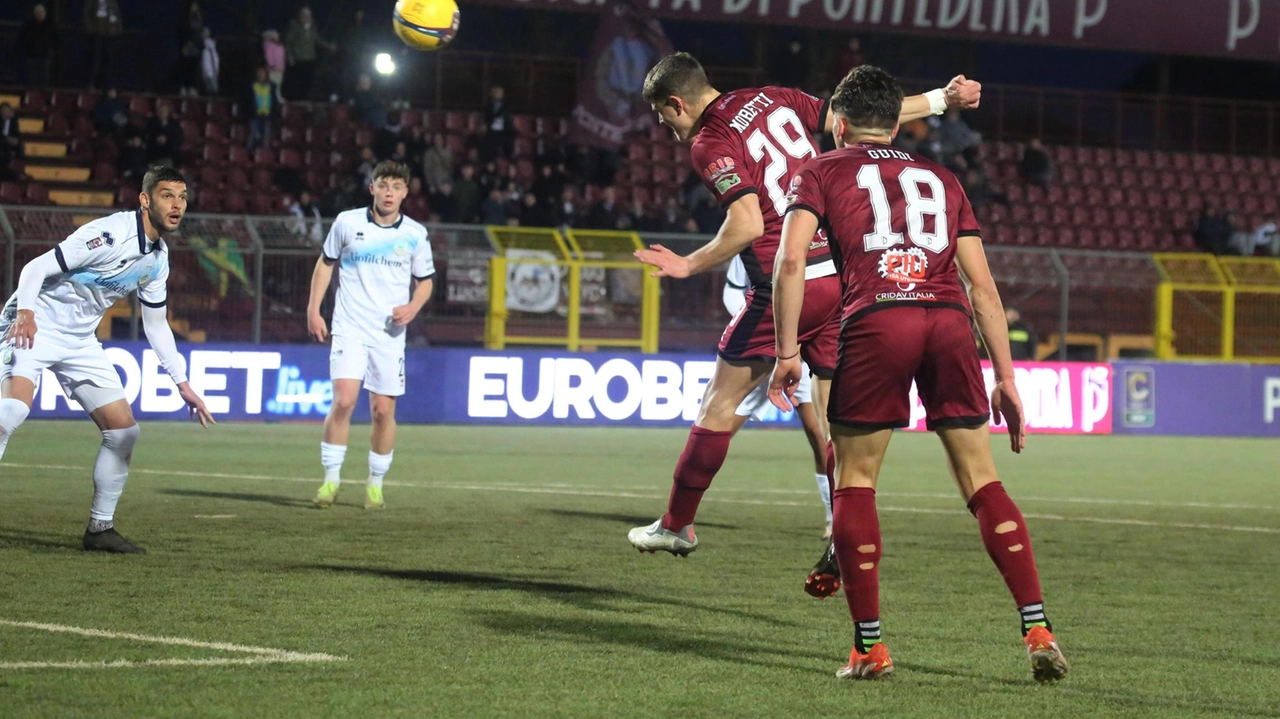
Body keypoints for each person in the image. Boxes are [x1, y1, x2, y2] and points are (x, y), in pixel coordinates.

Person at [768, 65, 1067, 683]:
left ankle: (870, 647)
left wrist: (787, 350)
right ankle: (1037, 627)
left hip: (879, 319)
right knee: (980, 479)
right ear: (899, 122)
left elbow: (792, 258)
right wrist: (1007, 378)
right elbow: (982, 286)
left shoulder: (821, 171)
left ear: (841, 122)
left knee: (855, 478)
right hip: (948, 323)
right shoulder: (942, 176)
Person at [625, 52, 981, 560]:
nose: (667, 129)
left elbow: (748, 224)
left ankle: (677, 524)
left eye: (664, 118)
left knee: (718, 406)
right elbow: (866, 115)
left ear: (676, 103)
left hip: (789, 287)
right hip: (842, 278)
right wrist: (943, 100)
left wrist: (688, 263)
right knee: (841, 422)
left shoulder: (709, 141)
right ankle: (845, 533)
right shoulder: (775, 97)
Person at [0, 167, 215, 554]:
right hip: (36, 324)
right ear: (145, 200)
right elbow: (35, 268)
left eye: (182, 197)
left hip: (80, 340)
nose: (177, 205)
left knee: (123, 432)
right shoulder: (109, 235)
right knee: (9, 413)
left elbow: (156, 325)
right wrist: (26, 313)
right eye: (167, 195)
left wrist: (182, 383)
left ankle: (100, 529)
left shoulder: (158, 260)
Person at [308, 161, 435, 510]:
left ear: (405, 192)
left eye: (396, 186)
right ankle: (330, 482)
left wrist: (413, 307)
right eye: (383, 185)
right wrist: (313, 309)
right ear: (372, 189)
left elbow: (425, 282)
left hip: (389, 334)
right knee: (345, 400)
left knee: (382, 411)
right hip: (349, 326)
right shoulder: (347, 222)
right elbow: (326, 262)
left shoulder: (415, 233)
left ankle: (375, 484)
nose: (389, 192)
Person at [724, 255, 832, 537]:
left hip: (803, 349)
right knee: (721, 426)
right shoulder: (755, 237)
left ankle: (834, 517)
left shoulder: (817, 234)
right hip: (763, 349)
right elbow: (732, 291)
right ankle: (682, 513)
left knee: (820, 435)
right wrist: (770, 335)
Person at [284, 6, 334, 101]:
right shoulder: (294, 25)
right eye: (304, 15)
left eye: (308, 15)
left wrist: (328, 46)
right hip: (298, 58)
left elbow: (317, 40)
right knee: (297, 80)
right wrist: (289, 55)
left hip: (310, 58)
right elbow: (288, 41)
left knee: (308, 80)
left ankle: (304, 98)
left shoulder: (313, 27)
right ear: (300, 15)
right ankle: (296, 99)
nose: (306, 17)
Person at [18, 4, 58, 90]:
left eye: (41, 14)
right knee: (32, 76)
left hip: (45, 54)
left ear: (44, 14)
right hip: (32, 54)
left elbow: (55, 39)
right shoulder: (29, 25)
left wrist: (52, 49)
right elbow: (23, 38)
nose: (39, 16)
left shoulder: (50, 24)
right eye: (37, 14)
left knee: (44, 76)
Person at [83, 0, 122, 89]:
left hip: (110, 33)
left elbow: (116, 13)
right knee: (95, 59)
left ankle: (106, 84)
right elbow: (87, 13)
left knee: (109, 60)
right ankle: (92, 83)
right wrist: (90, 29)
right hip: (97, 33)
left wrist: (118, 28)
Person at [245, 66, 279, 151]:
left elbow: (274, 101)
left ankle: (264, 156)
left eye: (262, 73)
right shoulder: (252, 85)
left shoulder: (271, 86)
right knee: (252, 135)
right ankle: (248, 153)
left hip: (267, 115)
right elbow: (247, 100)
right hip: (255, 115)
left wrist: (273, 114)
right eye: (259, 73)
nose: (260, 75)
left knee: (266, 136)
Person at [200, 27, 220, 96]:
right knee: (212, 91)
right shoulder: (210, 50)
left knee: (210, 92)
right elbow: (214, 61)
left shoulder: (208, 50)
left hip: (209, 74)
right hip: (211, 74)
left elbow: (206, 63)